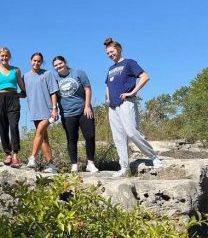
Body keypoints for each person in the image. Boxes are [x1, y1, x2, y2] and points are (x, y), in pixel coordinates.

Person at [104, 37, 162, 178]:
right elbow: (107, 85)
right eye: (107, 53)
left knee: (131, 132)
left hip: (126, 102)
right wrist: (107, 99)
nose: (110, 54)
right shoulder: (111, 68)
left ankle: (154, 157)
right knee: (118, 137)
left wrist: (132, 92)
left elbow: (145, 76)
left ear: (118, 49)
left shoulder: (129, 63)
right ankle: (124, 167)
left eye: (111, 51)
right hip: (113, 106)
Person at [52, 56, 99, 173]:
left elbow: (87, 89)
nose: (58, 66)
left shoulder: (78, 73)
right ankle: (74, 165)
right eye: (56, 65)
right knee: (71, 139)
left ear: (65, 62)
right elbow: (53, 95)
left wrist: (87, 106)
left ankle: (90, 163)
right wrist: (54, 109)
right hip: (67, 114)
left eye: (60, 63)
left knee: (90, 136)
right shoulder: (55, 79)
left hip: (84, 110)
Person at [23, 52, 59, 174]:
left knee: (39, 132)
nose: (36, 63)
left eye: (39, 61)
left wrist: (54, 108)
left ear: (41, 62)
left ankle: (32, 158)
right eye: (34, 60)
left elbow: (53, 92)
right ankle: (51, 164)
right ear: (30, 61)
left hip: (47, 110)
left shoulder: (47, 74)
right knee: (43, 138)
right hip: (34, 110)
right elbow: (24, 92)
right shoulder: (26, 76)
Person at [0, 47, 26, 167]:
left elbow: (21, 84)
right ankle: (7, 153)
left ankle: (15, 155)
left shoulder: (16, 70)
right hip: (0, 98)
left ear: (10, 57)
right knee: (2, 127)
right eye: (2, 56)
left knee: (13, 126)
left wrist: (25, 92)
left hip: (13, 97)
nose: (4, 58)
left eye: (6, 55)